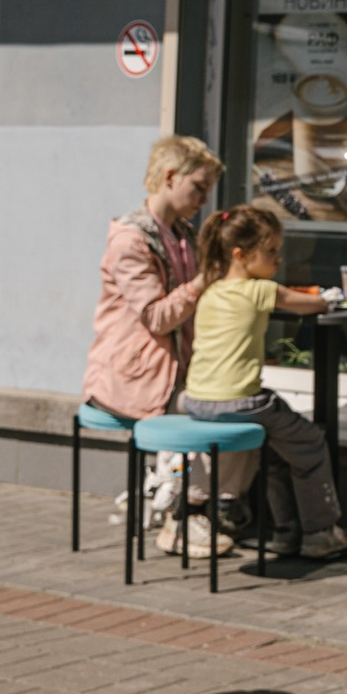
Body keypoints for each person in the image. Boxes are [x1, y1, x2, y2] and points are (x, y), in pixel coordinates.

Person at [185, 204, 347, 561]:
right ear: (241, 255)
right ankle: (320, 532)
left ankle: (285, 530)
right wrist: (330, 298)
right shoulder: (260, 290)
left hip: (197, 400)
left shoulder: (211, 291)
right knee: (309, 443)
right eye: (272, 251)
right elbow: (313, 306)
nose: (279, 259)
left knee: (279, 448)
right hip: (240, 403)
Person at [86, 135, 222, 554]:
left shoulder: (181, 234)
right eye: (198, 188)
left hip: (172, 372)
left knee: (238, 406)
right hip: (132, 379)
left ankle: (202, 507)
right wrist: (204, 281)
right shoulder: (131, 240)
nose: (203, 199)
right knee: (216, 417)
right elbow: (159, 317)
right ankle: (183, 520)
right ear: (169, 177)